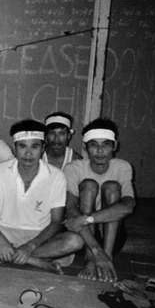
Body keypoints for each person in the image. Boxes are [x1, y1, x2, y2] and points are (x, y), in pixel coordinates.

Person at [0, 119, 84, 274]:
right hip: (5, 231)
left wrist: (30, 246)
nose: (28, 153)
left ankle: (8, 255)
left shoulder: (56, 176)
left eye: (34, 146)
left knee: (75, 241)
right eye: (22, 146)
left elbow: (56, 222)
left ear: (43, 148)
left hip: (40, 237)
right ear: (14, 148)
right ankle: (34, 261)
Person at [63, 118, 135, 283]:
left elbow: (127, 207)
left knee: (112, 187)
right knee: (89, 185)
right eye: (94, 144)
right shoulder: (74, 168)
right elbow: (71, 209)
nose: (100, 151)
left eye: (106, 144)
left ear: (114, 146)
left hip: (112, 236)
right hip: (84, 236)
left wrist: (87, 218)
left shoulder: (122, 166)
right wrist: (96, 251)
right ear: (85, 147)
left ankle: (107, 257)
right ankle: (91, 258)